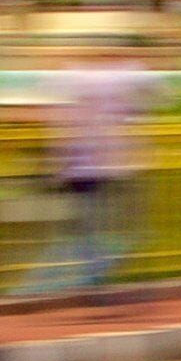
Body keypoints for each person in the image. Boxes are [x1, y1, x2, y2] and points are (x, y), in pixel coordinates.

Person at [51, 44, 150, 308]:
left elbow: (61, 124)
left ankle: (93, 278)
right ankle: (93, 280)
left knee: (91, 227)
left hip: (87, 168)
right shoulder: (116, 79)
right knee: (107, 227)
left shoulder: (75, 80)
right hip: (103, 168)